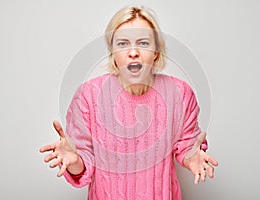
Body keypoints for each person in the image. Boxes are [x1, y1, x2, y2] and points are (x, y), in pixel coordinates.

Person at [40, 5, 218, 200]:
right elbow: (82, 163)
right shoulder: (88, 96)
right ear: (113, 53)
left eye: (143, 43)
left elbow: (187, 143)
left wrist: (192, 155)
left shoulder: (180, 93)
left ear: (156, 52)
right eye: (123, 44)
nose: (133, 52)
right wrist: (74, 160)